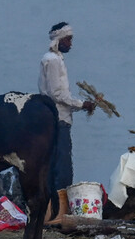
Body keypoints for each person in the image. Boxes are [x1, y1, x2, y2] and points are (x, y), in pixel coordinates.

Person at [38, 22, 95, 195]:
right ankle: (60, 204)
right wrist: (82, 104)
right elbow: (57, 94)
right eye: (68, 40)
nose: (70, 44)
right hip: (58, 119)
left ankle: (52, 202)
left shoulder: (52, 59)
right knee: (62, 165)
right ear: (59, 40)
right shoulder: (53, 61)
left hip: (53, 117)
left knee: (52, 162)